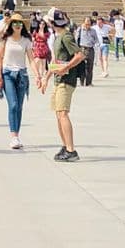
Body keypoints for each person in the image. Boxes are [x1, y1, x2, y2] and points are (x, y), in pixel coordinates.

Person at [44, 9, 85, 161]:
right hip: (58, 81)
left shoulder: (66, 36)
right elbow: (55, 61)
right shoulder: (57, 37)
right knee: (58, 114)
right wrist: (46, 77)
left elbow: (80, 55)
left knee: (63, 114)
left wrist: (66, 68)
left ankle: (71, 150)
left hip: (66, 81)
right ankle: (65, 145)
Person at [0, 15, 33, 149]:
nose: (17, 25)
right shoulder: (5, 39)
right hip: (8, 74)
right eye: (14, 23)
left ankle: (17, 135)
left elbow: (31, 59)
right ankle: (13, 136)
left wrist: (38, 75)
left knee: (20, 107)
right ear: (10, 25)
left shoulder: (26, 40)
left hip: (22, 74)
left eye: (20, 23)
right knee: (13, 105)